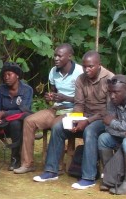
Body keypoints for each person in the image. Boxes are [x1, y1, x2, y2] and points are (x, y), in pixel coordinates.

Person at [34, 51, 113, 190]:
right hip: (85, 115)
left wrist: (87, 122)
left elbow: (108, 110)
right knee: (58, 127)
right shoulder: (81, 79)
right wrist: (76, 119)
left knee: (89, 131)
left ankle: (88, 177)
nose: (86, 69)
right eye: (84, 66)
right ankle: (51, 170)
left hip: (102, 119)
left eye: (90, 66)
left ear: (99, 65)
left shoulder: (109, 79)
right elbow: (79, 104)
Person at [14, 44, 83, 174]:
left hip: (74, 111)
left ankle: (56, 166)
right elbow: (53, 92)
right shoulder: (53, 71)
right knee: (29, 121)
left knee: (57, 125)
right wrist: (49, 97)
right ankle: (27, 163)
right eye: (55, 55)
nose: (56, 58)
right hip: (56, 109)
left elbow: (85, 100)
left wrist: (66, 98)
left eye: (59, 56)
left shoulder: (80, 72)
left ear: (69, 56)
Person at [0, 62, 33, 171]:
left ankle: (15, 158)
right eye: (4, 75)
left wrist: (4, 113)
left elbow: (24, 110)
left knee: (16, 123)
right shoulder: (0, 89)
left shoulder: (27, 90)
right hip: (2, 123)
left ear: (17, 75)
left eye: (9, 74)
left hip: (18, 124)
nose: (6, 77)